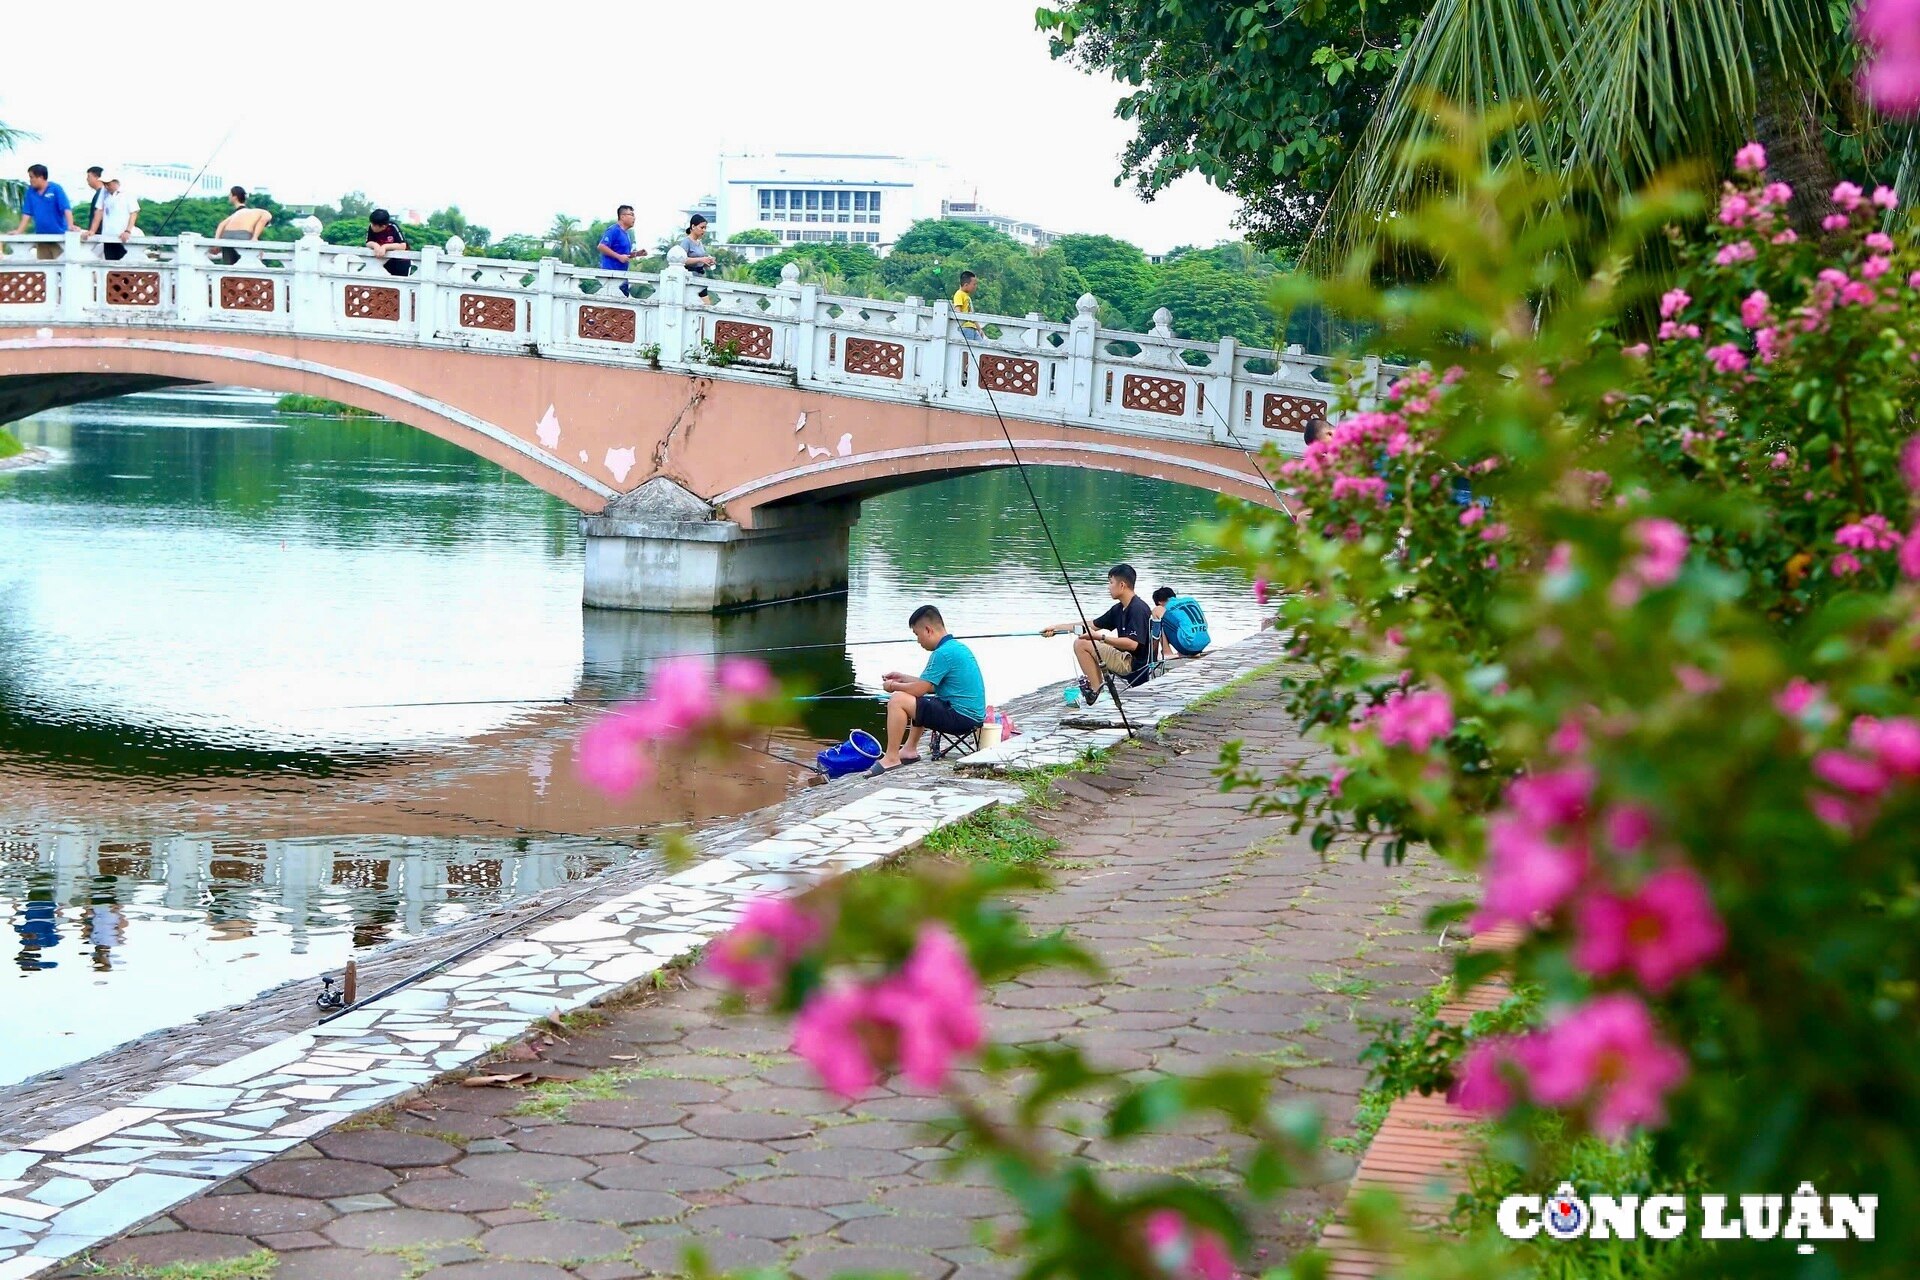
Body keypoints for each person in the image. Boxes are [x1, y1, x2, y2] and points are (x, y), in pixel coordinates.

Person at [869, 604, 986, 774]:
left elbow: (919, 690)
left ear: (928, 630)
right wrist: (902, 677)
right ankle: (909, 750)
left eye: (917, 635)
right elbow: (929, 685)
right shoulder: (955, 648)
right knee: (920, 701)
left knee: (898, 699)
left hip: (961, 717)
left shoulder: (941, 654)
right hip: (970, 717)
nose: (918, 641)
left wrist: (893, 686)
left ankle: (891, 758)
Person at [1042, 564, 1153, 704]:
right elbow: (1091, 625)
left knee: (1081, 643)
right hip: (1123, 657)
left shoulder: (1138, 608)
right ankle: (1098, 690)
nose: (1108, 587)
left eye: (1111, 582)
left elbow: (1132, 644)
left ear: (1122, 585)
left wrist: (1100, 637)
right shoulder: (1119, 609)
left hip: (1131, 663)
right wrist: (1057, 628)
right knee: (1084, 640)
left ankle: (1097, 692)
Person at [14, 164, 74, 259]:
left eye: (32, 177)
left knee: (61, 269)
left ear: (41, 177)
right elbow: (27, 213)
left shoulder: (55, 189)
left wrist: (71, 226)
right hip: (41, 238)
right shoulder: (30, 192)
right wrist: (19, 231)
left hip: (59, 238)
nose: (30, 180)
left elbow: (66, 209)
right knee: (44, 269)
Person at [1149, 587, 1211, 663]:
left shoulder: (1165, 607)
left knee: (1157, 611)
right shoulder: (1191, 600)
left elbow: (1156, 634)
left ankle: (1166, 653)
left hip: (1188, 645)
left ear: (1159, 602)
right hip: (1203, 643)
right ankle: (1191, 651)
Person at [85, 175, 139, 261]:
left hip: (123, 236)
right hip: (108, 235)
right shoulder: (104, 191)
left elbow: (134, 212)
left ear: (116, 182)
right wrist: (92, 230)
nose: (106, 186)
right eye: (104, 184)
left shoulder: (127, 192)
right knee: (110, 265)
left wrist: (128, 230)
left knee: (125, 265)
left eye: (108, 184)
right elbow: (99, 211)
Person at [213, 186, 272, 264]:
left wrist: (216, 243)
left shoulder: (240, 212)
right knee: (248, 263)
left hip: (227, 235)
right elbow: (262, 221)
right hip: (242, 234)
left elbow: (221, 224)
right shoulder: (266, 214)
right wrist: (255, 238)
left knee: (229, 266)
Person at [598, 204, 638, 296]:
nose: (634, 218)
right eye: (631, 215)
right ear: (622, 216)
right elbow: (601, 246)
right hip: (611, 277)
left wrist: (636, 254)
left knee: (623, 308)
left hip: (622, 277)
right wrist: (619, 257)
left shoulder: (626, 234)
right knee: (610, 308)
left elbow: (624, 255)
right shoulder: (613, 230)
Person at [678, 213, 717, 302]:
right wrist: (700, 259)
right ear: (693, 226)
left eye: (705, 228)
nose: (704, 230)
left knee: (706, 306)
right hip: (690, 279)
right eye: (702, 227)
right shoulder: (686, 242)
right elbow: (682, 260)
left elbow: (699, 263)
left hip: (700, 278)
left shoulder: (700, 243)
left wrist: (707, 262)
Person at [366, 208, 410, 276]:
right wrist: (375, 245)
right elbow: (368, 242)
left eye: (374, 225)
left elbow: (403, 246)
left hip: (400, 262)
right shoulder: (371, 226)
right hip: (382, 261)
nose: (372, 226)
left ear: (383, 226)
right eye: (371, 223)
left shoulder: (392, 227)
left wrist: (385, 247)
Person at [952, 269, 980, 336]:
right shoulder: (959, 294)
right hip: (965, 328)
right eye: (974, 284)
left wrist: (979, 329)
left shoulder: (967, 296)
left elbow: (972, 314)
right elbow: (958, 312)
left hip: (973, 328)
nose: (975, 286)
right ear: (966, 285)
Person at [83, 166, 105, 240]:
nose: (87, 179)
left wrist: (92, 231)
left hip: (99, 235)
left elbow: (99, 214)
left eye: (89, 176)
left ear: (97, 177)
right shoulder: (101, 194)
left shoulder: (101, 194)